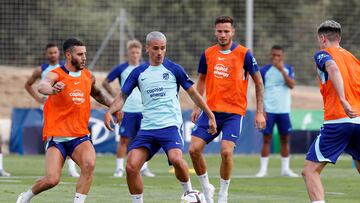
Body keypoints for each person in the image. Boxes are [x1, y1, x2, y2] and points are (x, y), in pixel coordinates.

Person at [104, 31, 217, 203]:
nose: (159, 52)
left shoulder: (174, 69)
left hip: (170, 125)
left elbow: (194, 94)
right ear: (148, 48)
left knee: (176, 159)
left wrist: (209, 115)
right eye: (155, 48)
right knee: (131, 166)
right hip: (148, 128)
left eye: (163, 48)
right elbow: (122, 97)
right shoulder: (139, 72)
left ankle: (189, 192)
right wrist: (109, 112)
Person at [17, 38, 114, 203]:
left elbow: (97, 94)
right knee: (52, 180)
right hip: (57, 138)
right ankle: (26, 196)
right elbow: (42, 86)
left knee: (89, 165)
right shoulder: (56, 74)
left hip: (80, 136)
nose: (84, 57)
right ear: (69, 55)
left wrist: (114, 106)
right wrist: (52, 90)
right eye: (80, 54)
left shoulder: (88, 76)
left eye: (85, 54)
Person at [189, 16, 266, 203]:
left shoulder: (244, 54)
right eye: (219, 31)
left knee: (226, 152)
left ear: (232, 32)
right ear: (215, 32)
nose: (222, 34)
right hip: (211, 112)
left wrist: (259, 111)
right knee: (193, 150)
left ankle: (223, 193)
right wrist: (196, 106)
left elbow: (258, 82)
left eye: (226, 31)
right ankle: (207, 187)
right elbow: (201, 80)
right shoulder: (208, 54)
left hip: (234, 113)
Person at [302, 20, 360, 203]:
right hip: (358, 121)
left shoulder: (323, 54)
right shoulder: (353, 59)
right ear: (339, 38)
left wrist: (342, 99)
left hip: (338, 121)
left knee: (309, 171)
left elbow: (333, 68)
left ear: (323, 38)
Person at [24, 43, 80, 178]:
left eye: (55, 52)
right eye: (50, 53)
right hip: (49, 110)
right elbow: (28, 85)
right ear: (46, 54)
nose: (53, 55)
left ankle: (72, 169)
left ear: (59, 53)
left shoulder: (66, 68)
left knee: (71, 135)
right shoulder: (41, 70)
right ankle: (51, 169)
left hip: (67, 108)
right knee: (51, 136)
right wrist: (39, 99)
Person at [102, 40, 154, 178]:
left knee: (144, 139)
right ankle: (119, 169)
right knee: (124, 140)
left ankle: (144, 168)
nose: (135, 55)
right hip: (127, 110)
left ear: (140, 53)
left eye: (137, 52)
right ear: (128, 53)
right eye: (132, 52)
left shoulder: (145, 68)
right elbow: (105, 82)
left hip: (144, 110)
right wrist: (115, 98)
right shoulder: (122, 68)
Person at [255, 45, 298, 178]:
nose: (276, 58)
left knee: (284, 139)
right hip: (269, 111)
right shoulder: (264, 70)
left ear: (282, 56)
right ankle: (263, 170)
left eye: (278, 56)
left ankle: (285, 169)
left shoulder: (288, 69)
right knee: (266, 139)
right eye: (273, 55)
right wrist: (261, 110)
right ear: (270, 55)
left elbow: (291, 85)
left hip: (284, 110)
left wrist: (282, 71)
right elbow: (259, 89)